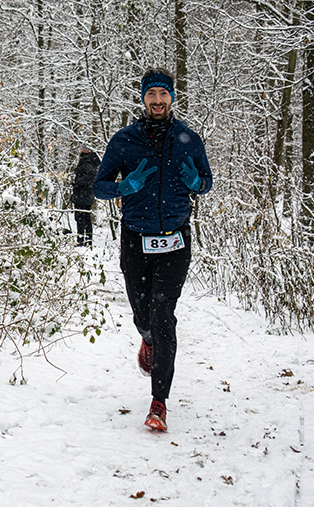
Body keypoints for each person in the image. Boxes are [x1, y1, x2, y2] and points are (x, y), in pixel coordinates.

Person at [93, 67, 213, 432]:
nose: (157, 101)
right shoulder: (124, 141)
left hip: (175, 238)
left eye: (163, 95)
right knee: (143, 315)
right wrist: (124, 187)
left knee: (163, 314)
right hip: (135, 238)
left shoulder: (188, 139)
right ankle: (145, 338)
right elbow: (99, 187)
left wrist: (196, 182)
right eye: (151, 95)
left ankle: (158, 402)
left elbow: (206, 181)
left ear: (172, 98)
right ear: (143, 98)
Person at [71, 146, 101, 247]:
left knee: (82, 218)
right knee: (84, 218)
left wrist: (78, 184)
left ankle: (83, 241)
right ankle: (85, 240)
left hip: (83, 195)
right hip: (84, 195)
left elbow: (89, 178)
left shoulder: (88, 162)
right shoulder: (89, 161)